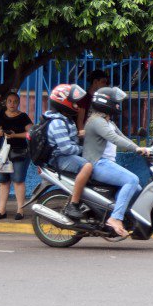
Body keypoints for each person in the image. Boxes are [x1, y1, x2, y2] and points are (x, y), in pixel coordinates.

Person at [83, 87, 150, 237]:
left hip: (107, 164)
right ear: (107, 103)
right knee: (132, 180)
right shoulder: (96, 121)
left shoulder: (109, 122)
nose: (118, 105)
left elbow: (122, 137)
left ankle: (118, 215)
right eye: (116, 102)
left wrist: (141, 148)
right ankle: (115, 218)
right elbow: (114, 139)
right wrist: (135, 149)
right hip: (98, 163)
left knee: (137, 188)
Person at [42, 84, 94, 219]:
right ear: (63, 101)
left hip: (65, 156)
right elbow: (66, 149)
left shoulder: (65, 119)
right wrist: (83, 149)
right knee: (87, 166)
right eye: (74, 102)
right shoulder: (57, 122)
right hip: (60, 158)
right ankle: (74, 204)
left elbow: (71, 139)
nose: (76, 105)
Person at [0, 92, 33, 220]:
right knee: (3, 181)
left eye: (15, 101)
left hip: (19, 152)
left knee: (18, 180)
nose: (12, 104)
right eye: (9, 101)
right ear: (6, 102)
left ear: (19, 103)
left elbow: (31, 133)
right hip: (2, 153)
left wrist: (15, 135)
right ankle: (2, 211)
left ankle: (20, 210)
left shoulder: (23, 117)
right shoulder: (0, 116)